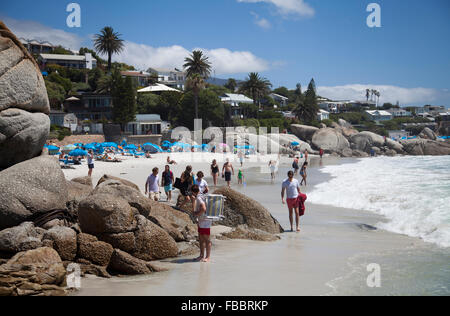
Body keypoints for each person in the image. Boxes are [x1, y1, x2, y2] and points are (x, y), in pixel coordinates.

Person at [191, 185, 212, 262]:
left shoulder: (199, 198)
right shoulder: (200, 196)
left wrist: (197, 214)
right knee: (201, 239)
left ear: (193, 192)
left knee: (206, 239)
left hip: (205, 221)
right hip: (202, 221)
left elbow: (203, 208)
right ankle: (201, 255)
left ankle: (208, 257)